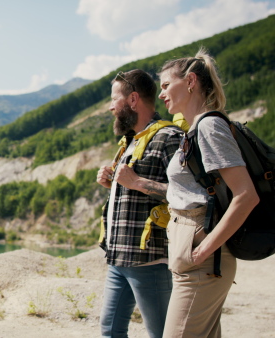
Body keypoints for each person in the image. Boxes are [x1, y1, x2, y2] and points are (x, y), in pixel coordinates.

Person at [158, 48, 259, 337]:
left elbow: (246, 195)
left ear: (190, 82)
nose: (162, 94)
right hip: (192, 260)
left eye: (166, 85)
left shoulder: (209, 126)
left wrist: (204, 249)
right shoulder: (194, 130)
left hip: (202, 263)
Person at [97, 69, 183, 338]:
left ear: (133, 99)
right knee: (110, 331)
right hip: (118, 256)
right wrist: (113, 184)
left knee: (160, 334)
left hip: (149, 260)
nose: (111, 107)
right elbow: (134, 190)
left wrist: (137, 183)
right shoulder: (129, 142)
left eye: (115, 99)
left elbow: (189, 195)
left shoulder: (169, 138)